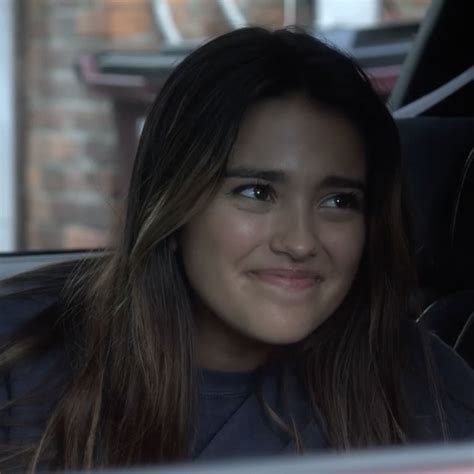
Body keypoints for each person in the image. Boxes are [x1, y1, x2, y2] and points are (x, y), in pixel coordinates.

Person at [0, 27, 473, 472]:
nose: (300, 242)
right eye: (255, 192)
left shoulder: (420, 387)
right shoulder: (22, 357)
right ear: (174, 199)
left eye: (338, 201)